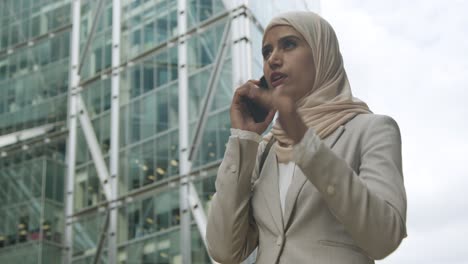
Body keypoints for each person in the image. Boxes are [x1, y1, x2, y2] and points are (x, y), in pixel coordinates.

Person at [206, 11, 407, 264]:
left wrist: (303, 138)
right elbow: (224, 251)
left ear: (323, 55)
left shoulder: (371, 129)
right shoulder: (266, 150)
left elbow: (384, 237)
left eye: (288, 45)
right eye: (267, 52)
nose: (273, 60)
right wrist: (244, 138)